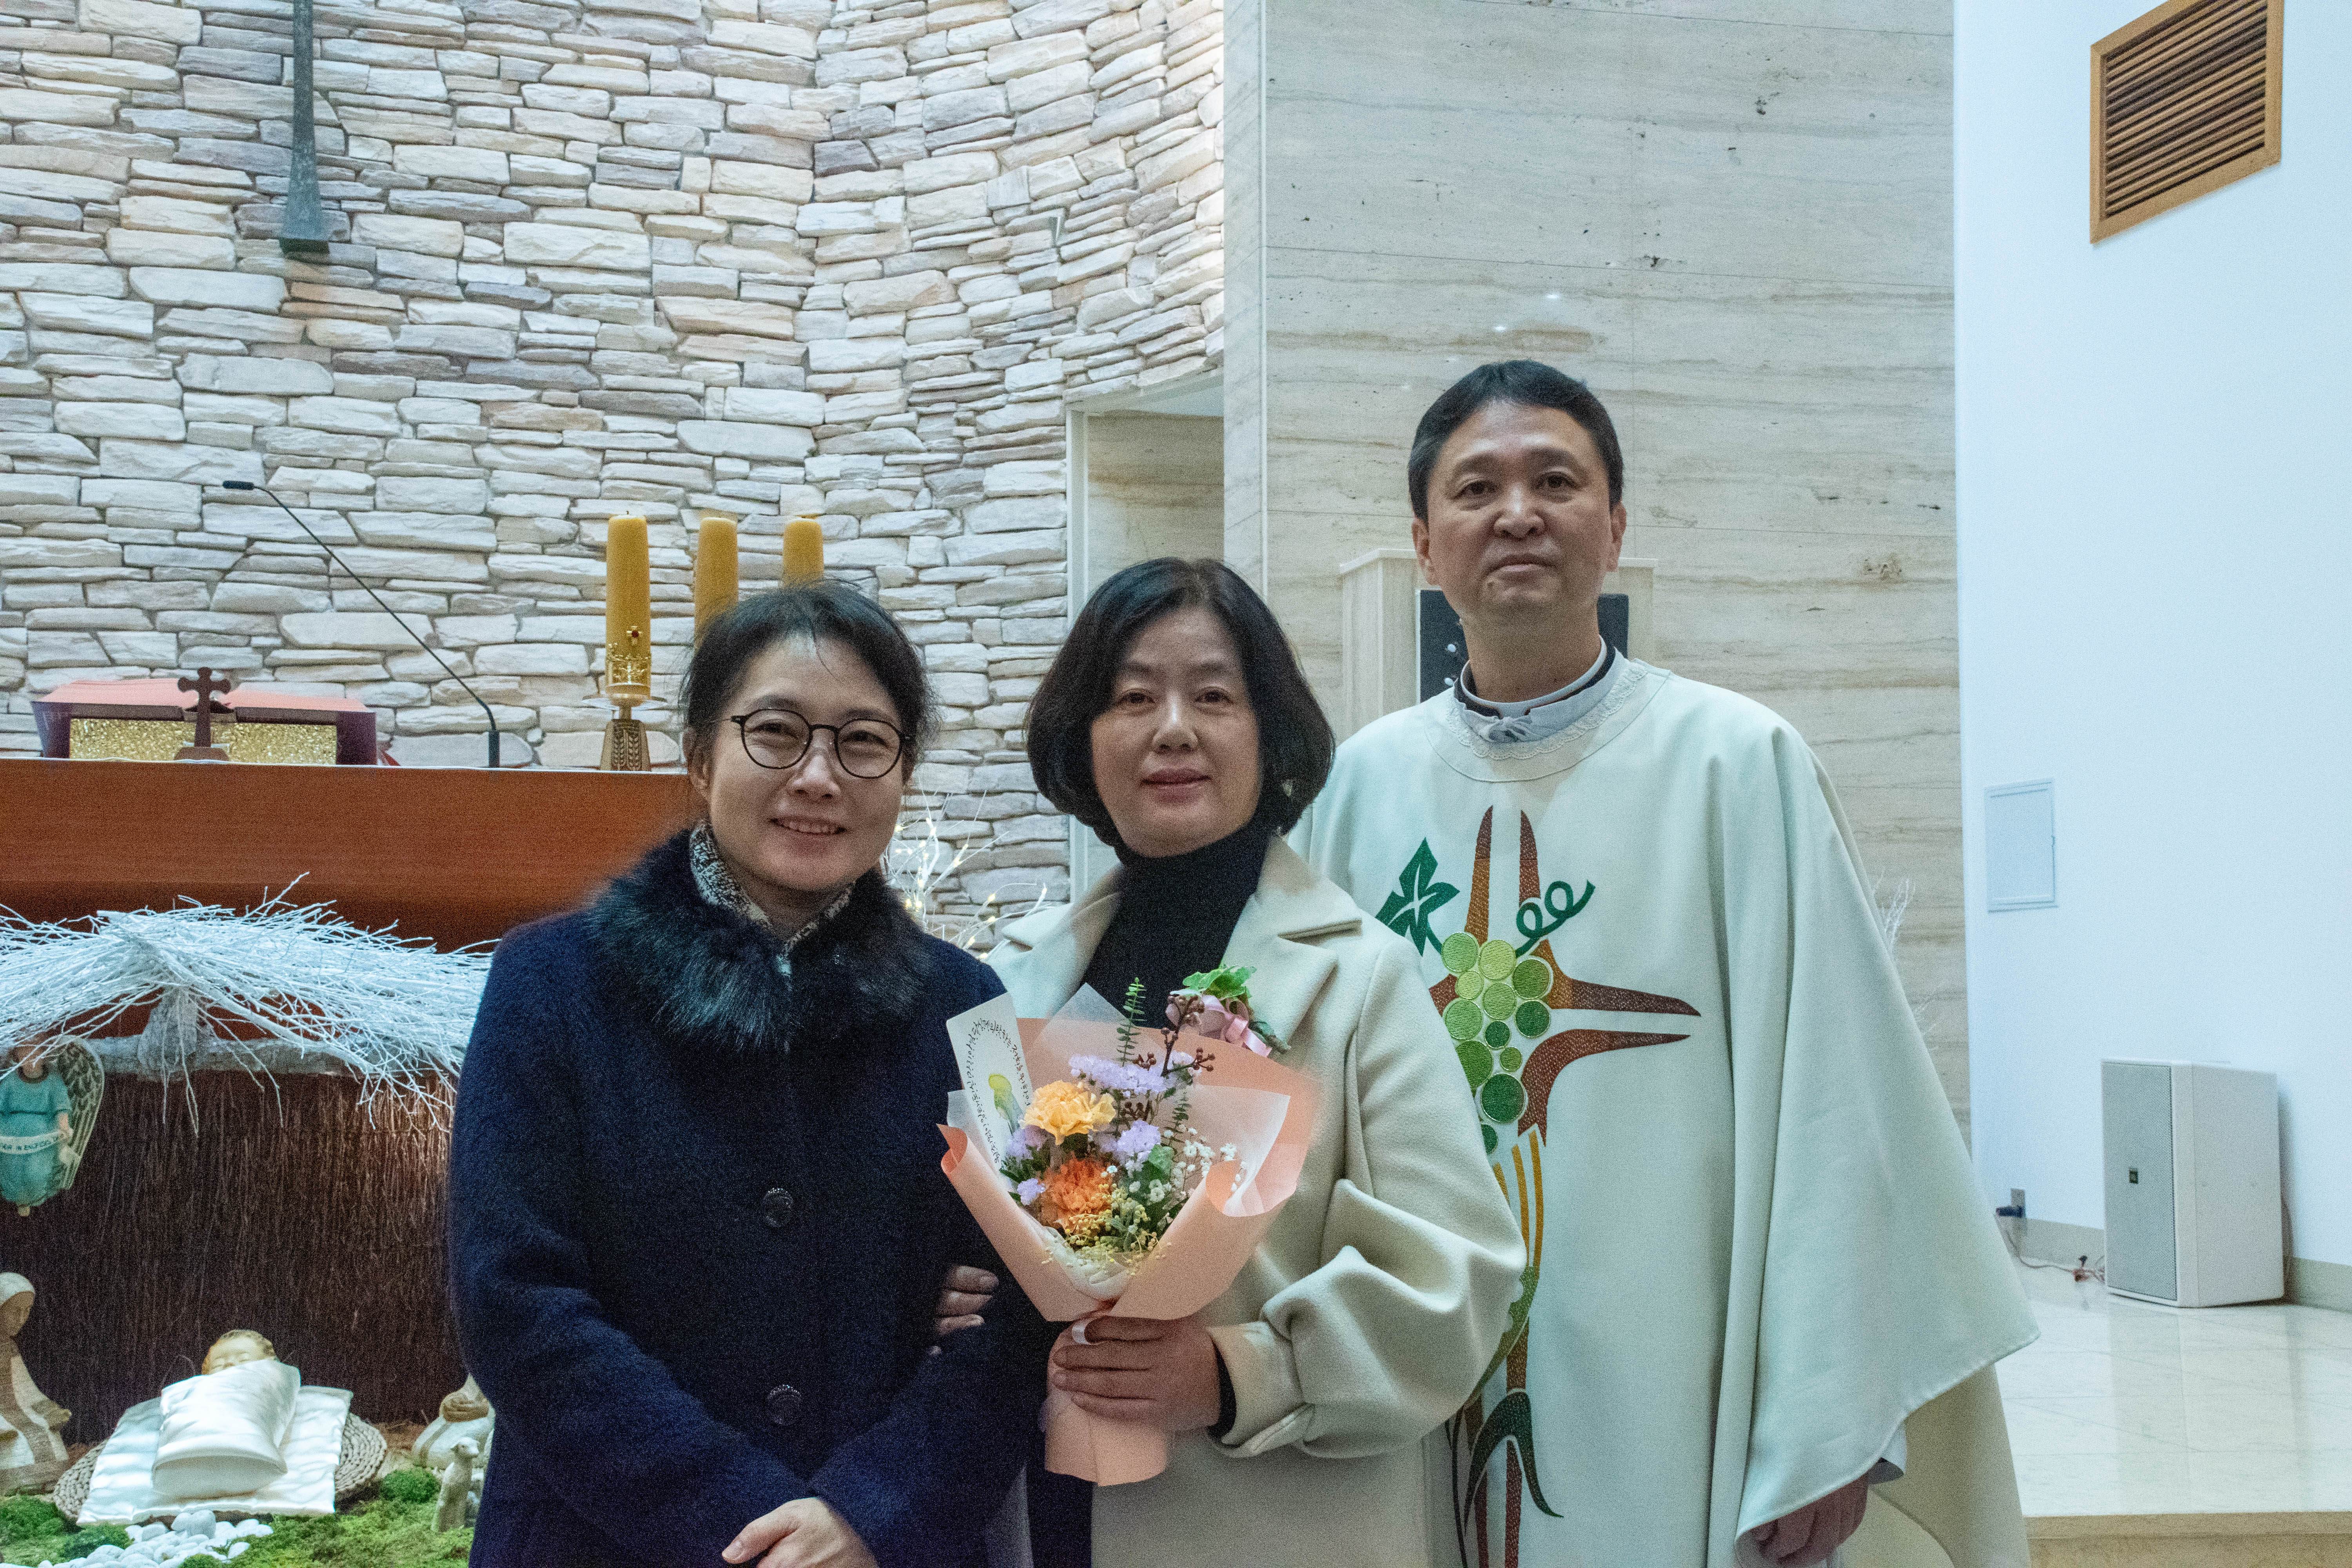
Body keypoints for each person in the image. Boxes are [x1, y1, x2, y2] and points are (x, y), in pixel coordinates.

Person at [1294, 360, 2038, 1568]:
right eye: (1476, 489)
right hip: (1416, 1373)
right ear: (1425, 542)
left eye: (1556, 482)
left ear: (1617, 526)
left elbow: (1838, 1106)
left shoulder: (1740, 768)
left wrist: (1830, 1411)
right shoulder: (1354, 791)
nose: (1518, 514)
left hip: (1673, 1374)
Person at [448, 583, 1057, 1568]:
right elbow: (515, 1296)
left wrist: (869, 1511)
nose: (819, 775)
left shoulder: (967, 1004)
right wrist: (746, 1523)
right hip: (602, 1539)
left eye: (864, 742)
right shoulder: (551, 984)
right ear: (700, 755)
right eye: (775, 732)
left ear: (902, 772)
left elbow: (1016, 1309)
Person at [984, 558, 1524, 1568]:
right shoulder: (1018, 976)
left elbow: (1456, 1281)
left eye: (1214, 696)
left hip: (1274, 1520)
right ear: (1082, 739)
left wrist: (1237, 1373)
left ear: (1270, 735)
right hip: (1052, 1506)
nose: (1172, 729)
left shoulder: (1359, 977)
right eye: (1132, 697)